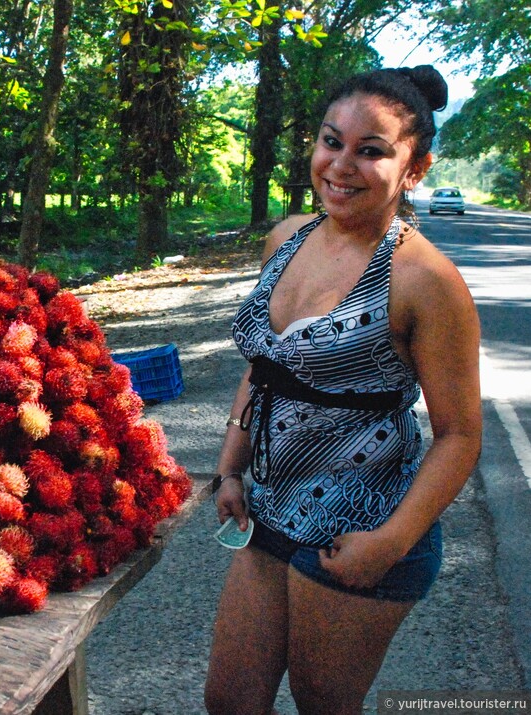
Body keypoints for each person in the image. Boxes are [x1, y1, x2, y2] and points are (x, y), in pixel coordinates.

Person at [204, 65, 482, 715]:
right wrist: (229, 469)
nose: (342, 164)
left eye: (371, 151)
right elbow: (264, 366)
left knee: (322, 703)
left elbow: (462, 435)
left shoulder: (423, 280)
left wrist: (390, 542)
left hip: (361, 527)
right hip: (270, 508)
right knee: (230, 701)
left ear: (415, 169)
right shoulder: (287, 237)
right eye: (332, 141)